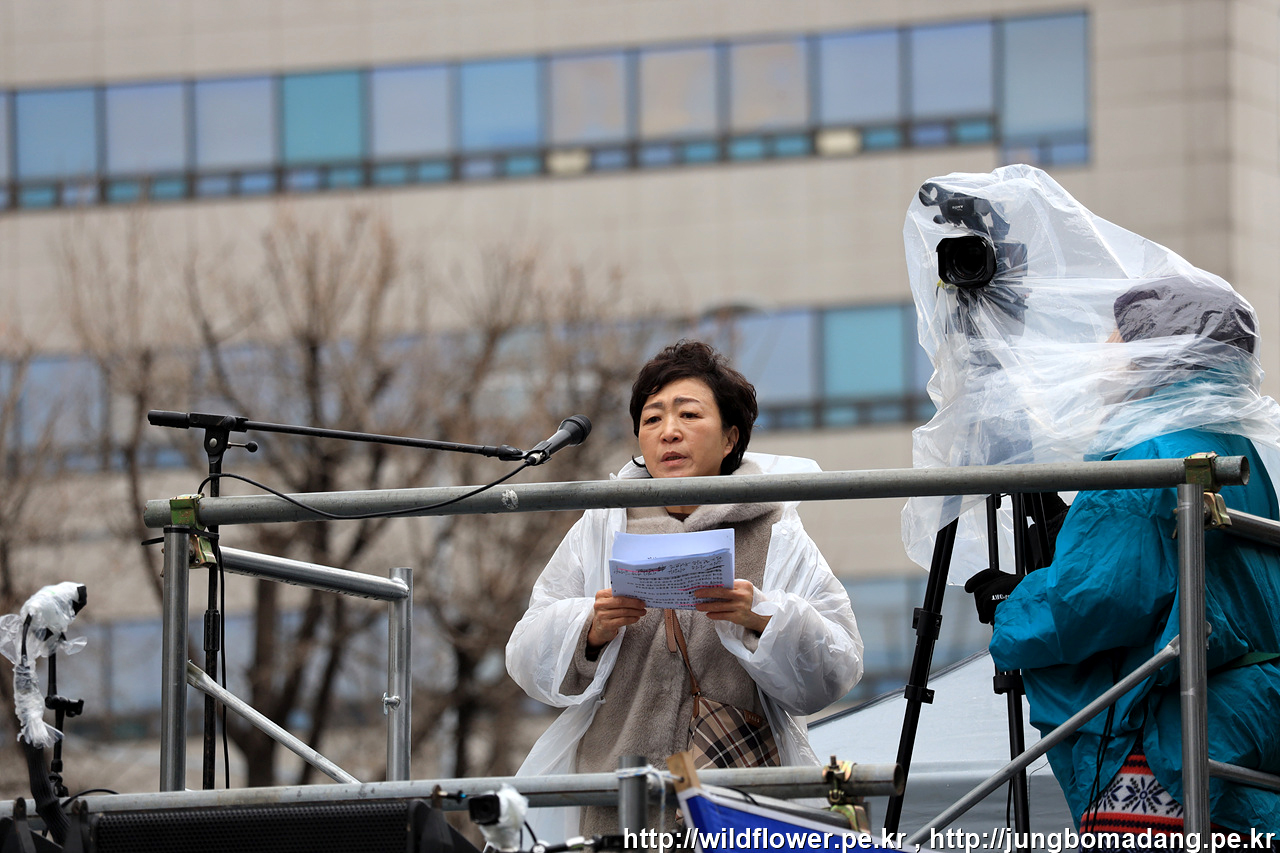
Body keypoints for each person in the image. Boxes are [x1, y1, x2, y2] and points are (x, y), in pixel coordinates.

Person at [506, 339, 863, 840]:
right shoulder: (604, 523)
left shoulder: (776, 530)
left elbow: (837, 667)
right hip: (612, 800)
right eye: (651, 419)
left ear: (730, 438)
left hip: (734, 803)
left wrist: (762, 616)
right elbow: (525, 655)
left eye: (689, 415)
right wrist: (589, 628)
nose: (668, 431)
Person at [966, 279, 1280, 836]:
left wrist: (1014, 606)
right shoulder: (1234, 447)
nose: (1103, 351)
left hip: (1174, 732)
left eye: (1117, 335)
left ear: (1154, 354)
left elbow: (1093, 601)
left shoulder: (1151, 455)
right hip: (1247, 713)